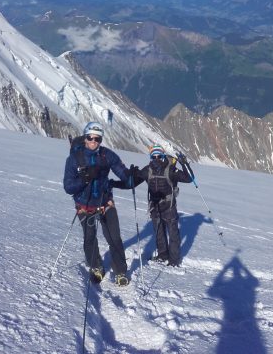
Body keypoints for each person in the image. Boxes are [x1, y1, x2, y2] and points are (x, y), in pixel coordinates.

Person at [63, 121, 132, 286]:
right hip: (84, 206)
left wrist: (132, 176)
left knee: (114, 237)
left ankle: (121, 272)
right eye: (90, 137)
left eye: (97, 139)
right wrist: (85, 178)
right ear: (85, 138)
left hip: (105, 202)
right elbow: (68, 187)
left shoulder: (107, 156)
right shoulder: (74, 159)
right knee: (89, 239)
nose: (93, 141)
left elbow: (123, 174)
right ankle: (96, 267)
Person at [116, 144, 192, 267]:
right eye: (153, 156)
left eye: (159, 156)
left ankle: (174, 260)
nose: (156, 158)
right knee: (158, 233)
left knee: (173, 234)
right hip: (155, 207)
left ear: (163, 156)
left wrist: (184, 163)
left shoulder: (171, 169)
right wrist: (130, 174)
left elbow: (189, 178)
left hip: (169, 206)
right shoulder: (147, 170)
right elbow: (132, 184)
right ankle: (162, 256)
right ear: (151, 157)